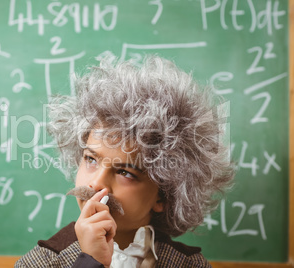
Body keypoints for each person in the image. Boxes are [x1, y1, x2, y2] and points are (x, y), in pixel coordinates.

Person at [15, 55, 234, 268]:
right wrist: (89, 262)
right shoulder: (43, 262)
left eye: (125, 173)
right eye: (91, 159)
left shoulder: (189, 264)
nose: (96, 184)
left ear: (163, 196)